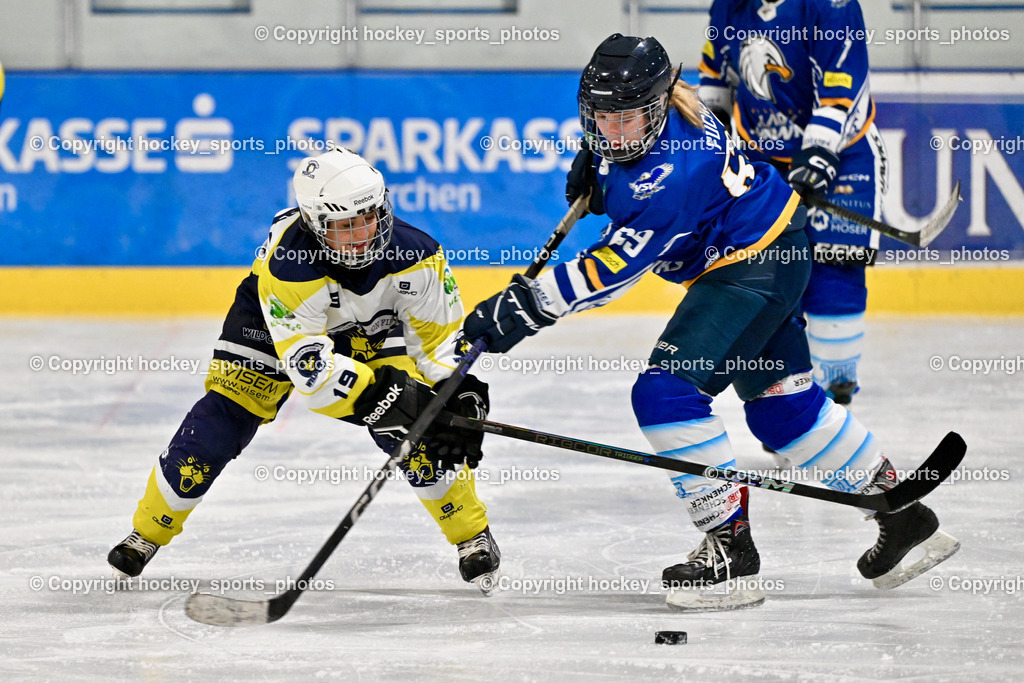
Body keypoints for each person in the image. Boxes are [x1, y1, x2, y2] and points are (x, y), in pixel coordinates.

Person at [463, 34, 957, 610]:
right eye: (601, 120)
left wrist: (524, 306)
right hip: (773, 249)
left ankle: (731, 551)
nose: (613, 134)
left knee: (665, 396)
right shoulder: (666, 108)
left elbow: (610, 271)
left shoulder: (671, 173)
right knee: (784, 409)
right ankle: (904, 514)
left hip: (750, 269)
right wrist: (600, 170)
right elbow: (622, 158)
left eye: (626, 121)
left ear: (652, 107)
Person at [108, 148, 501, 594]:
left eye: (369, 217)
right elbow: (313, 379)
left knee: (417, 427)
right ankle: (147, 532)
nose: (361, 235)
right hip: (275, 325)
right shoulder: (288, 267)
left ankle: (471, 535)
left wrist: (459, 389)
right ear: (315, 224)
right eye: (344, 225)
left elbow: (440, 344)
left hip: (368, 327)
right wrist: (386, 397)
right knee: (222, 420)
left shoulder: (419, 256)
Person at [699, 0, 886, 405]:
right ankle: (789, 400)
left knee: (837, 266)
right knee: (774, 275)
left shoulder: (832, 5)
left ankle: (836, 388)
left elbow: (842, 89)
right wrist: (707, 151)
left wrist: (819, 150)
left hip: (845, 151)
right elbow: (715, 81)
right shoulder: (728, 6)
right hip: (762, 158)